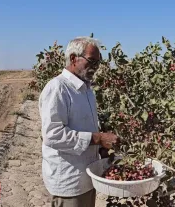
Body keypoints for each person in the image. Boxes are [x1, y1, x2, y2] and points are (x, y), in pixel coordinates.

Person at [38, 36, 118, 207]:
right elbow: (53, 135)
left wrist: (101, 148)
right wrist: (98, 138)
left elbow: (85, 127)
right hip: (69, 181)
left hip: (87, 177)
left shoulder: (86, 89)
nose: (95, 67)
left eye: (98, 62)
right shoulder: (58, 88)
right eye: (91, 61)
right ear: (74, 58)